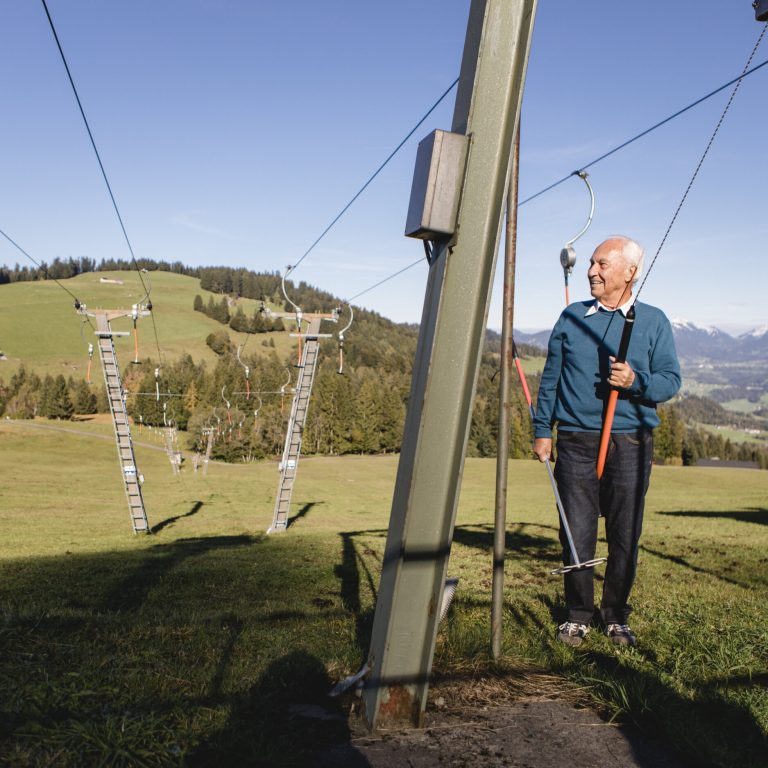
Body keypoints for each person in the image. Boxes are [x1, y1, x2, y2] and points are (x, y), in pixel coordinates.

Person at [533, 236, 680, 647]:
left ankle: (615, 615)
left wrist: (636, 382)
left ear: (630, 272)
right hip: (577, 441)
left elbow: (671, 380)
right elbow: (550, 380)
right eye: (592, 263)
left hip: (631, 442)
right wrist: (543, 430)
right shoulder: (571, 318)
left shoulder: (653, 321)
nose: (592, 271)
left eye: (601, 264)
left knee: (624, 534)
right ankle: (578, 614)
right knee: (575, 530)